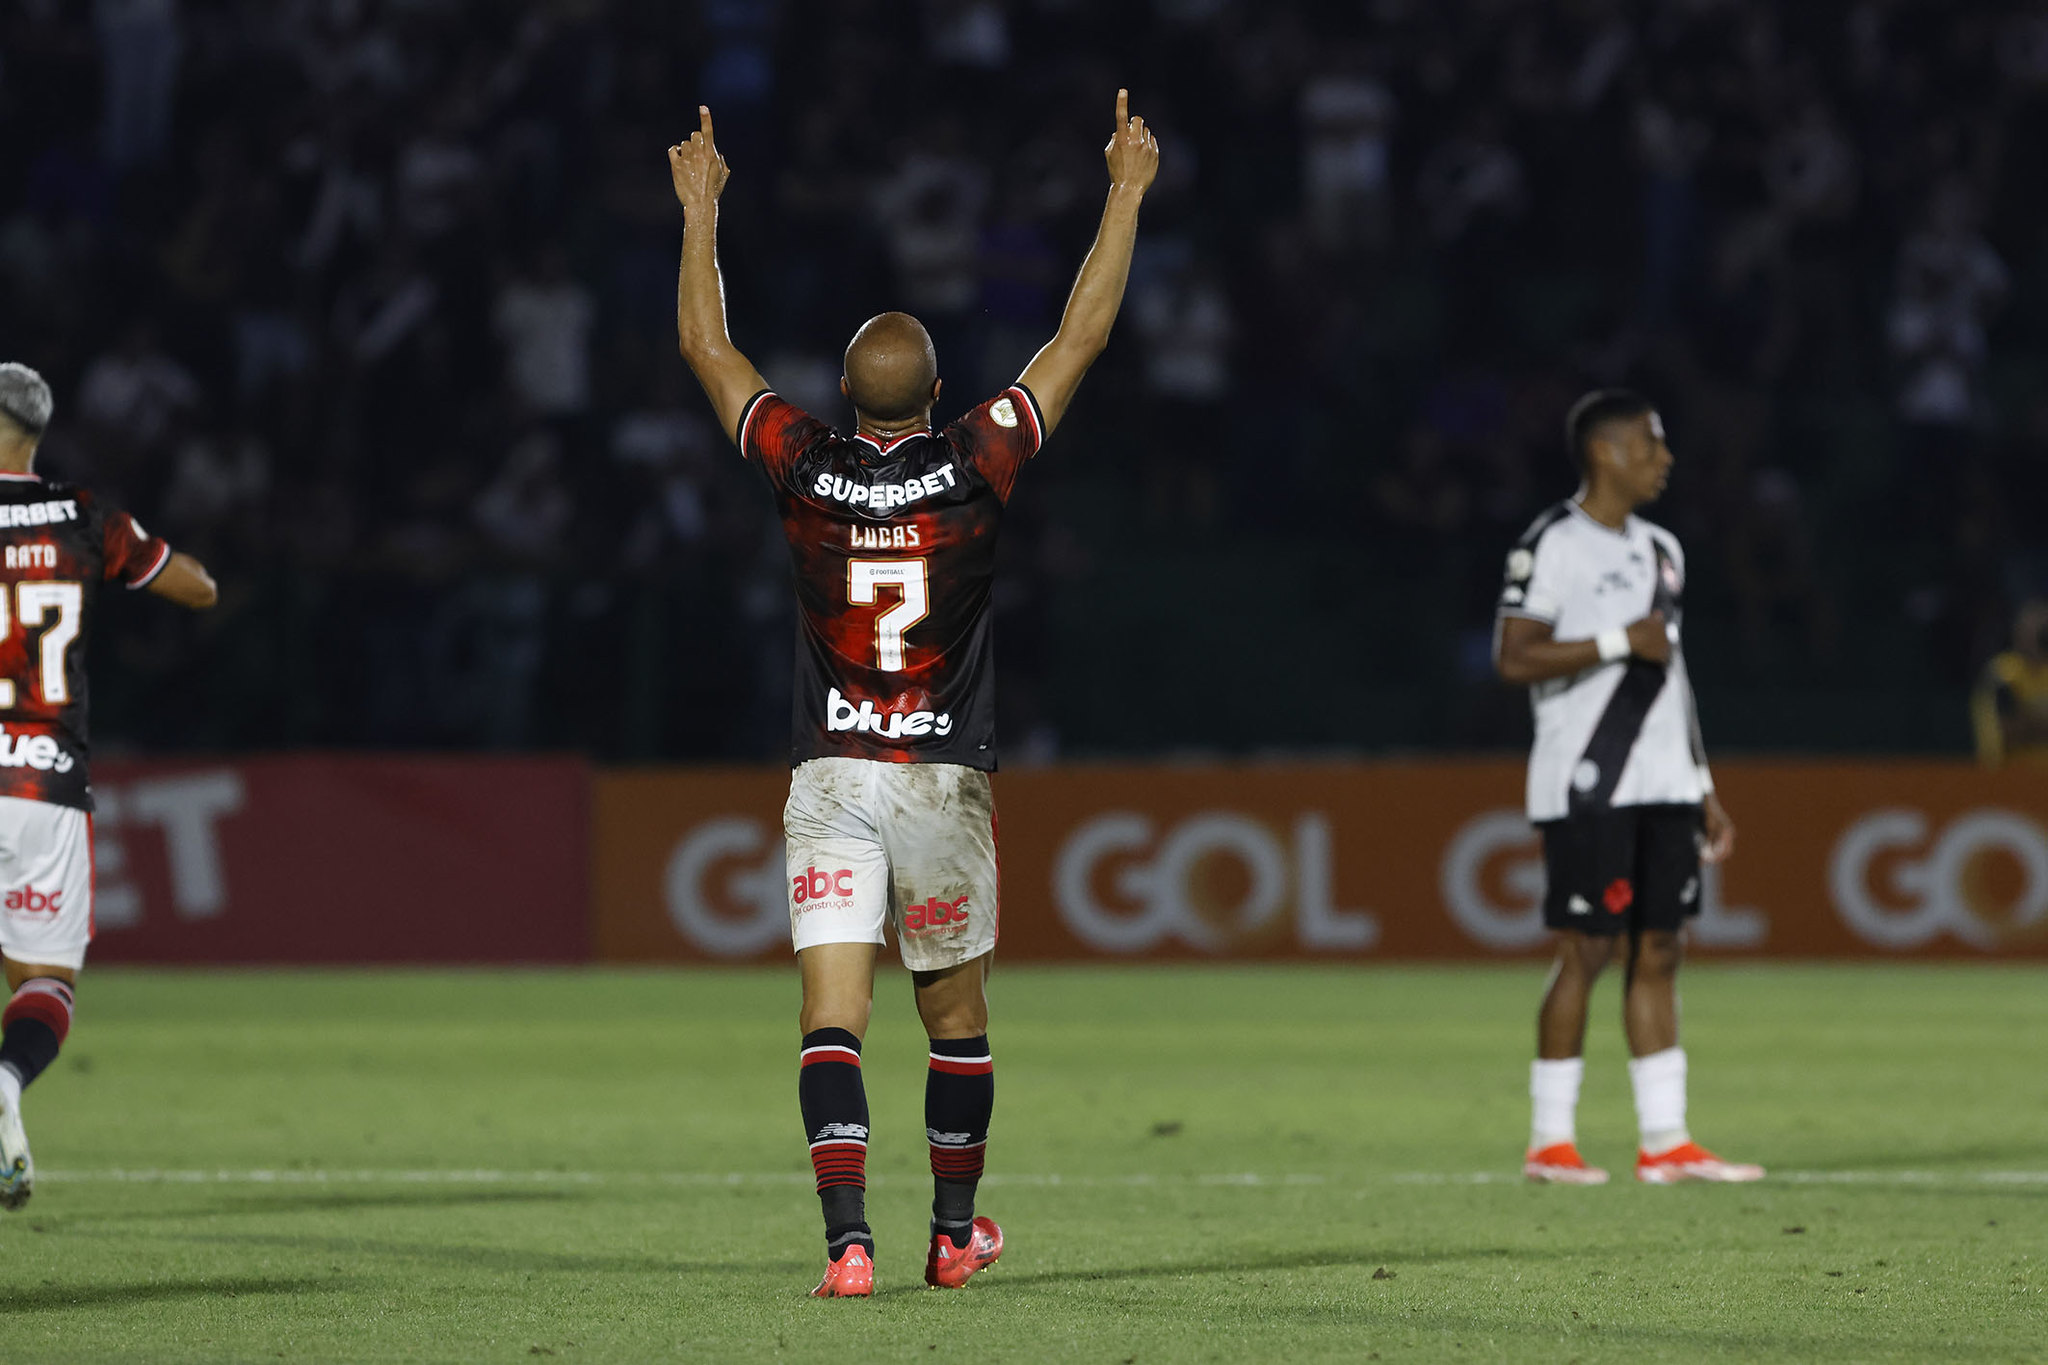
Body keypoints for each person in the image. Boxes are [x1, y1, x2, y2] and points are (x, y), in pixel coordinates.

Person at [668, 94, 1158, 1294]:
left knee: (829, 1019)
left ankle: (847, 1248)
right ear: (935, 398)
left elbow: (708, 352)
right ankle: (951, 1236)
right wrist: (1126, 192)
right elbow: (1077, 340)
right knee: (955, 1022)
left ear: (841, 397)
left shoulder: (803, 462)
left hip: (830, 775)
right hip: (938, 778)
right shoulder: (976, 459)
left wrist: (700, 214)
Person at [1493, 389, 1763, 1186]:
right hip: (1590, 780)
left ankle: (1666, 1141)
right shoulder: (1552, 542)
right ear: (1607, 452)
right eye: (1652, 444)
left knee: (1664, 947)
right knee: (1589, 948)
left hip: (1665, 780)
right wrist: (1618, 639)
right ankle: (1550, 1141)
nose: (1665, 458)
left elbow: (1672, 671)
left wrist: (1702, 779)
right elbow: (1513, 657)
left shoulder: (1664, 549)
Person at [0, 362, 218, 1209]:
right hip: (44, 782)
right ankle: (10, 1081)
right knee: (44, 980)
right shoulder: (87, 518)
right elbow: (195, 587)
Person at [1971, 597, 2048, 767]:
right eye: (2030, 630)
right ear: (2017, 632)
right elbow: (2009, 733)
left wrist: (2032, 719)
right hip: (2012, 777)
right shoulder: (2004, 673)